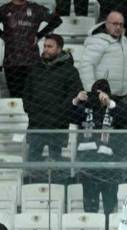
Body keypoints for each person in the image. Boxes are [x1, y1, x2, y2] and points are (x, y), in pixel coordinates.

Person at [23, 34, 83, 180]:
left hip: (57, 123)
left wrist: (60, 112)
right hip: (37, 122)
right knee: (33, 161)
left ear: (59, 49)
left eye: (50, 46)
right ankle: (33, 189)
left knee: (55, 162)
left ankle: (57, 191)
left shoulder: (70, 71)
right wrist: (31, 110)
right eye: (44, 46)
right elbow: (26, 93)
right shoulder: (35, 68)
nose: (46, 49)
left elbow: (74, 94)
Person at [70, 79, 127, 214]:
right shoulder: (85, 108)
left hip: (110, 166)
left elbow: (126, 119)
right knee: (90, 207)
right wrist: (76, 101)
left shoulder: (115, 107)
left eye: (101, 94)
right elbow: (68, 116)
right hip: (88, 164)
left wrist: (110, 104)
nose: (97, 98)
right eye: (94, 93)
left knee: (110, 206)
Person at [0, 0, 62, 98]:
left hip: (32, 63)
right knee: (16, 99)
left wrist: (39, 35)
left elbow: (57, 20)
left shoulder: (35, 8)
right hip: (11, 63)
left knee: (33, 97)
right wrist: (3, 35)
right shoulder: (4, 9)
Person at [79, 11, 127, 104]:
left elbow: (126, 67)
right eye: (115, 24)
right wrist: (92, 91)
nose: (118, 27)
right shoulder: (97, 40)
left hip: (121, 97)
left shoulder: (125, 41)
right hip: (102, 96)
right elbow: (86, 66)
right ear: (106, 23)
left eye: (121, 24)